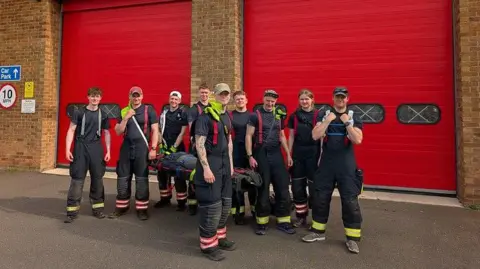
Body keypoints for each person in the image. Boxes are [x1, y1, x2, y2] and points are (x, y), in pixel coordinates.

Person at [302, 86, 364, 254]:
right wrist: (328, 120)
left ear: (347, 99)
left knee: (350, 201)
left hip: (347, 165)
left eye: (343, 97)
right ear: (333, 98)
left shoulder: (353, 115)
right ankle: (318, 232)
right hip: (327, 164)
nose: (340, 99)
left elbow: (357, 139)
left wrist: (346, 123)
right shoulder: (323, 114)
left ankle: (352, 239)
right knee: (320, 198)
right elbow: (315, 135)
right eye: (337, 97)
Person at [194, 83, 236, 261]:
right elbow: (199, 143)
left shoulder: (226, 115)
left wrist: (231, 165)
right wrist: (206, 169)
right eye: (221, 94)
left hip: (225, 165)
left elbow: (229, 142)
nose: (224, 96)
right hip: (210, 164)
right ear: (215, 95)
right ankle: (208, 246)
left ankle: (220, 237)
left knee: (225, 204)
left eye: (226, 94)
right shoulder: (205, 117)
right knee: (212, 207)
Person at [245, 89, 295, 235]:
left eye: (273, 101)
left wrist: (287, 154)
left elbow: (282, 136)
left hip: (276, 154)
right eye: (268, 100)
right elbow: (249, 136)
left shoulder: (278, 116)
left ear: (276, 102)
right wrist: (250, 156)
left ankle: (284, 221)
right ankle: (262, 222)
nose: (270, 103)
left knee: (283, 187)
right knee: (263, 189)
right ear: (263, 99)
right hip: (261, 154)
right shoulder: (255, 115)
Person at [109, 86, 159, 221]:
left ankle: (142, 209)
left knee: (142, 179)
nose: (136, 98)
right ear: (129, 97)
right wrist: (126, 118)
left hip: (142, 148)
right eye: (133, 96)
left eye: (138, 96)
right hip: (126, 148)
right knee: (123, 178)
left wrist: (153, 148)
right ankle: (122, 207)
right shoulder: (124, 111)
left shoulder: (149, 110)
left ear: (142, 96)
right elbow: (118, 131)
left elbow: (155, 130)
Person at [64, 87, 111, 223]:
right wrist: (67, 150)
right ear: (88, 97)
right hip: (80, 147)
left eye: (97, 96)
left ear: (100, 98)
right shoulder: (79, 112)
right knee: (77, 179)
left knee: (97, 179)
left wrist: (108, 150)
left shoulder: (104, 114)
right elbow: (71, 130)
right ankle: (71, 212)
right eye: (92, 96)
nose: (95, 99)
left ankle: (98, 209)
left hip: (96, 148)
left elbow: (107, 133)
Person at [287, 89, 321, 227]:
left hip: (314, 154)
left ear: (312, 99)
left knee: (315, 189)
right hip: (298, 155)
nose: (304, 102)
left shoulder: (319, 115)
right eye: (302, 99)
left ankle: (318, 219)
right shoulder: (294, 116)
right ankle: (301, 216)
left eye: (307, 99)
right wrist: (289, 154)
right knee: (297, 188)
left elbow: (322, 137)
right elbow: (291, 136)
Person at [154, 90, 189, 211]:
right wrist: (160, 144)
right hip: (165, 148)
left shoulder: (182, 114)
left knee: (179, 175)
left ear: (179, 101)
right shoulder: (164, 114)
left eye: (176, 99)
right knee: (162, 174)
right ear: (169, 100)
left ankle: (181, 202)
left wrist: (174, 147)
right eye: (172, 99)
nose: (173, 101)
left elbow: (182, 132)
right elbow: (158, 130)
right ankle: (165, 199)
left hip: (178, 149)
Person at [228, 90, 257, 225]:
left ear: (246, 100)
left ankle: (254, 210)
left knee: (252, 181)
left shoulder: (253, 116)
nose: (240, 101)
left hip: (250, 153)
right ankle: (237, 213)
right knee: (236, 184)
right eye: (237, 99)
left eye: (242, 98)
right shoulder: (230, 116)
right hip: (236, 152)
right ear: (234, 101)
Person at [185, 83, 211, 215]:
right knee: (194, 174)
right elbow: (191, 127)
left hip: (209, 147)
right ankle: (192, 204)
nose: (204, 95)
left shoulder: (212, 108)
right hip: (196, 146)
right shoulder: (193, 109)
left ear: (210, 94)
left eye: (206, 93)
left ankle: (205, 202)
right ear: (199, 93)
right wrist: (195, 142)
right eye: (202, 92)